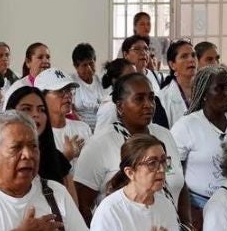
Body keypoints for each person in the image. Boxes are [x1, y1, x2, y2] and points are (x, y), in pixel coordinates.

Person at [74, 72, 187, 219]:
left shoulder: (165, 135)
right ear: (120, 107)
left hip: (168, 230)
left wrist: (187, 223)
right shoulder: (99, 144)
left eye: (151, 98)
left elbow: (180, 184)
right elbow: (83, 204)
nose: (148, 105)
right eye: (139, 99)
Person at [171, 65, 227, 220]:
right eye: (219, 88)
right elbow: (174, 175)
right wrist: (190, 212)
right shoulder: (186, 126)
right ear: (204, 94)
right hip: (197, 205)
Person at [6, 85, 74, 196]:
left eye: (41, 110)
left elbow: (73, 209)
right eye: (27, 109)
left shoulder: (59, 160)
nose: (36, 114)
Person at [35, 69, 91, 168]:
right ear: (42, 97)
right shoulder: (37, 135)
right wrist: (66, 157)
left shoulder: (83, 128)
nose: (68, 95)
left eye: (69, 90)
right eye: (60, 91)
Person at [157, 40, 198, 127]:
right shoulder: (162, 98)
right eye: (184, 56)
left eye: (193, 55)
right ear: (172, 65)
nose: (191, 59)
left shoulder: (206, 92)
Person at [70, 43, 103, 127]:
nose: (89, 68)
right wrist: (85, 129)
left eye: (91, 63)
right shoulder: (71, 82)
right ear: (76, 66)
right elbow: (71, 110)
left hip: (101, 127)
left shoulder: (101, 81)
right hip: (80, 128)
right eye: (84, 65)